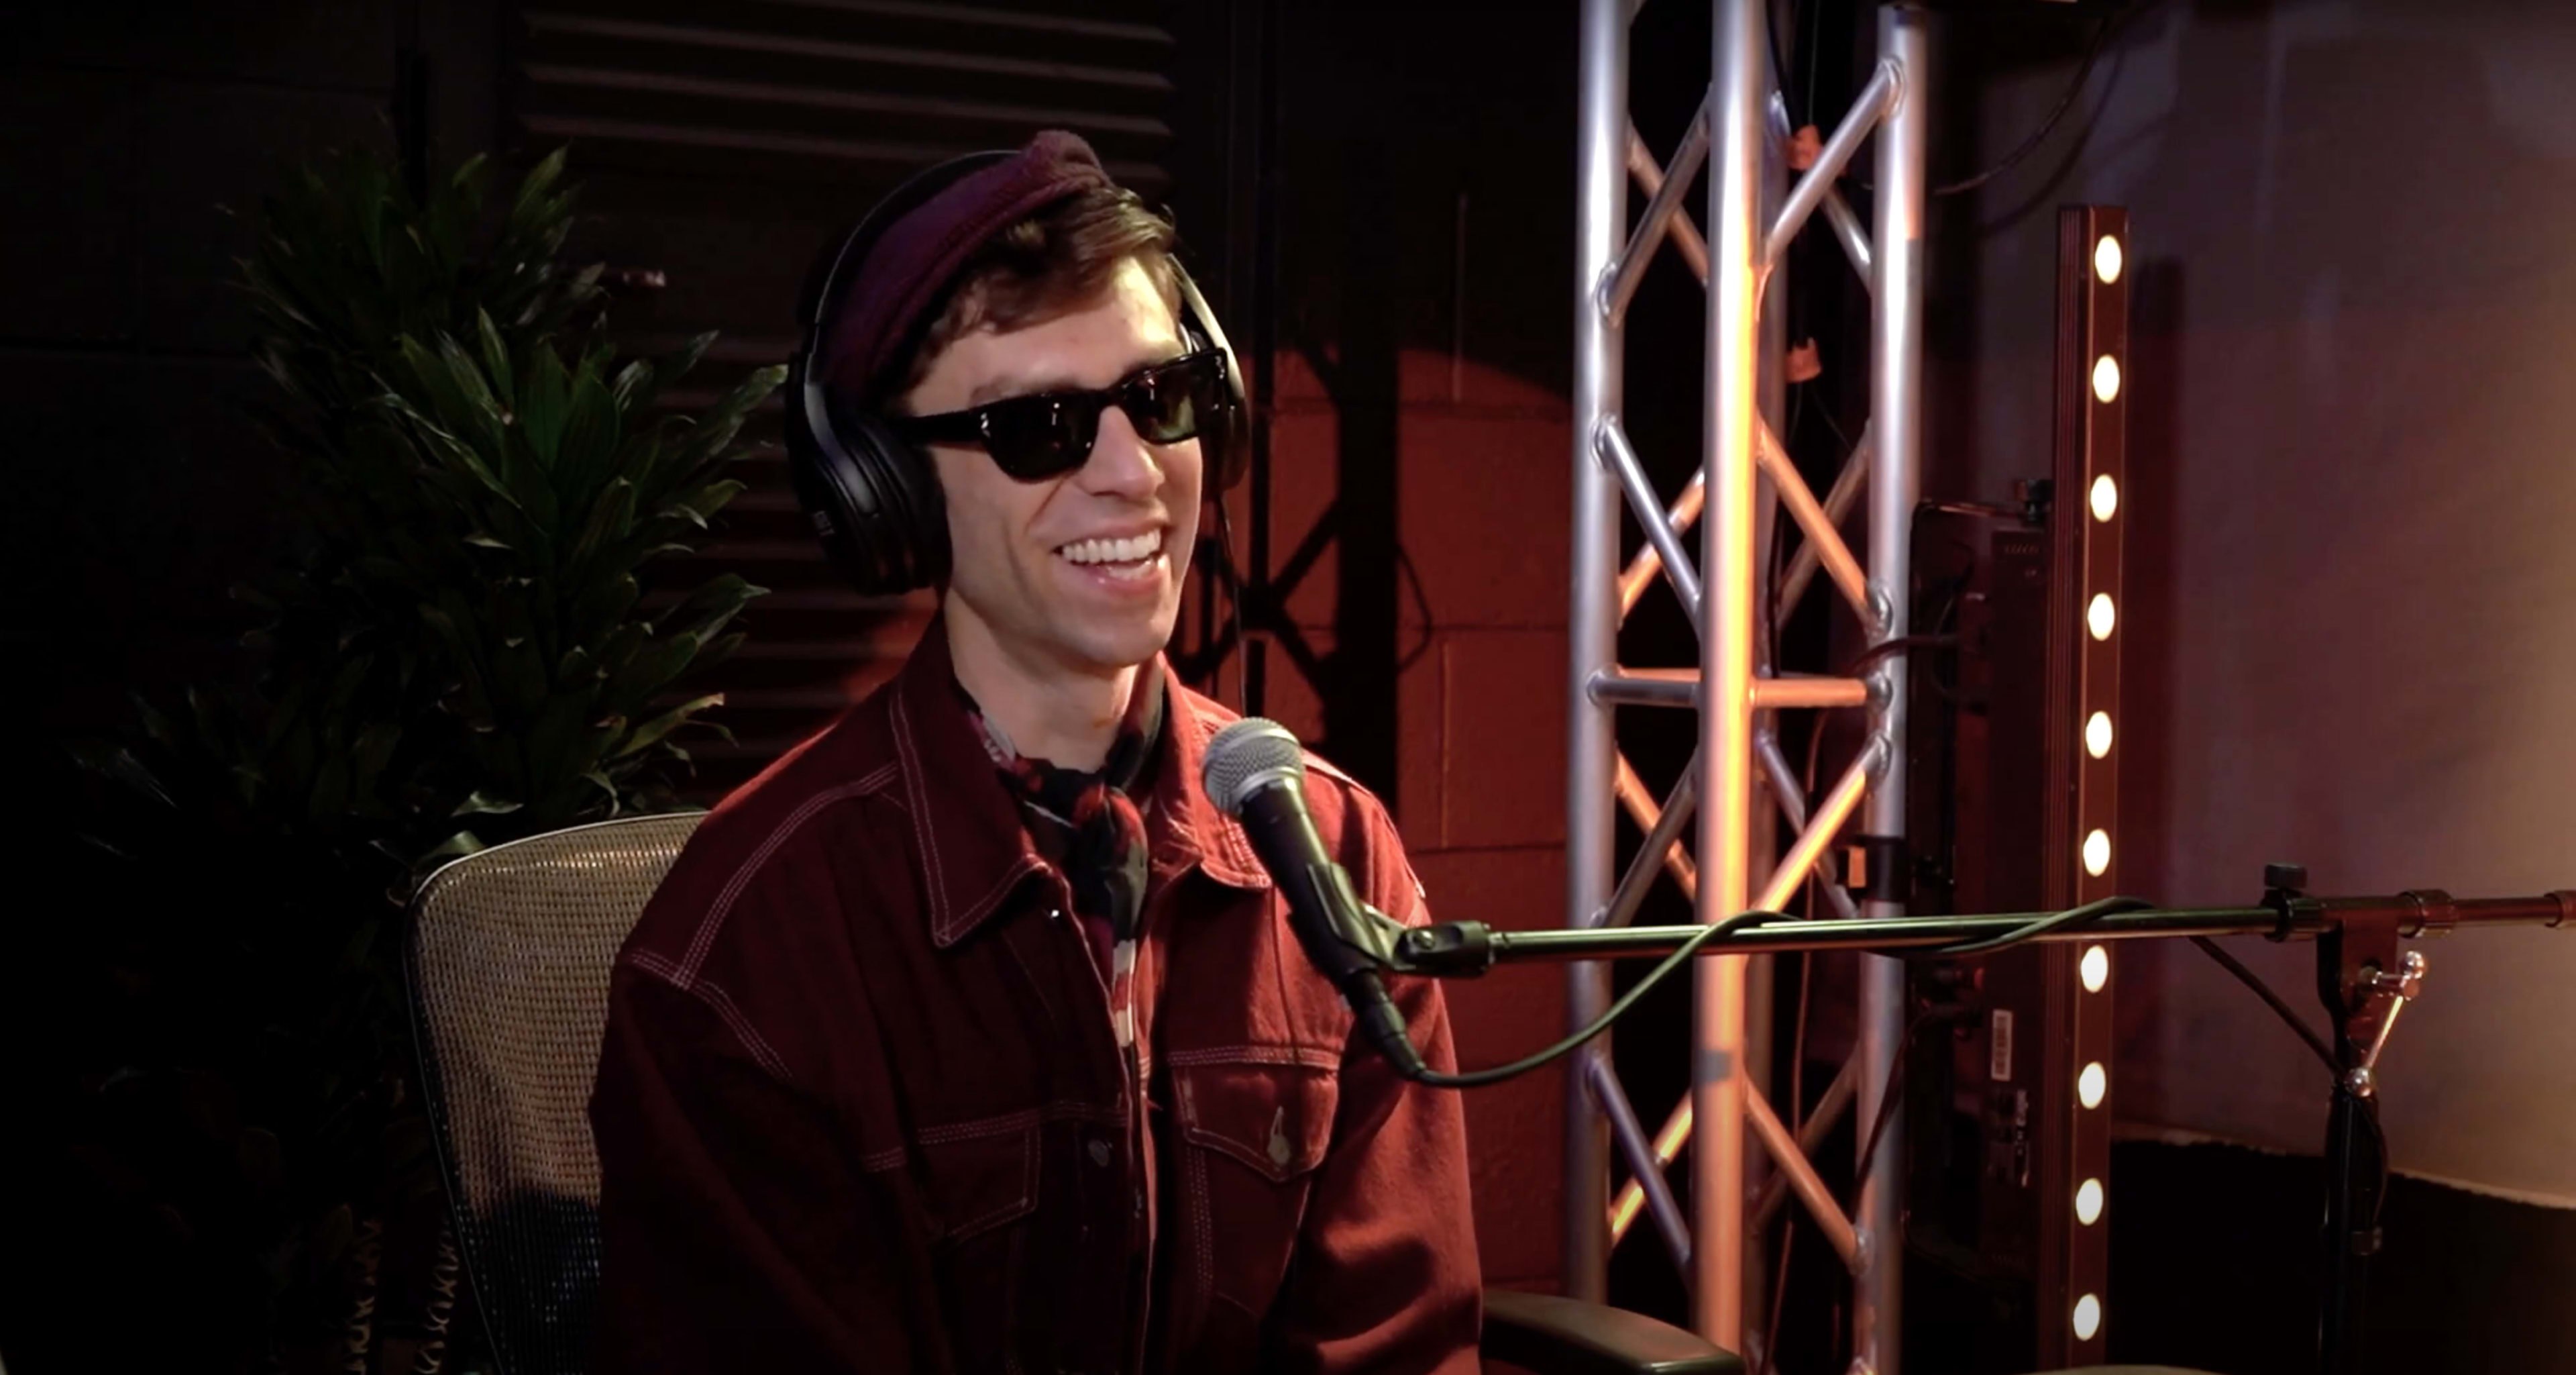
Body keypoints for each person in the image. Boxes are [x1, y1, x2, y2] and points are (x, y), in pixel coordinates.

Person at [588, 130, 1482, 1374]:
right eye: (1041, 424)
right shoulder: (745, 949)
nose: (1135, 476)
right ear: (891, 487)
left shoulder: (1332, 859)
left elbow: (1400, 1349)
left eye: (1160, 402)